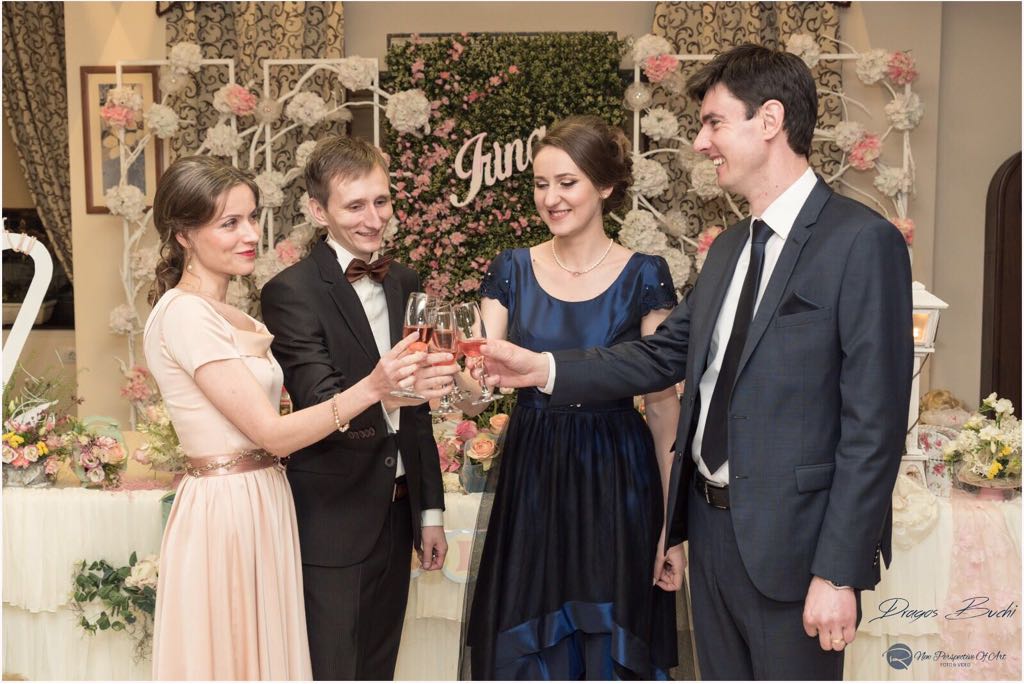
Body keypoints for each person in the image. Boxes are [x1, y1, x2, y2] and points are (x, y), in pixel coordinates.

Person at [478, 44, 914, 680]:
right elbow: (660, 355)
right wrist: (544, 369)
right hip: (710, 537)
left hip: (795, 553)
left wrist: (838, 571)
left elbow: (874, 427)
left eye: (714, 123)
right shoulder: (731, 248)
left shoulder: (861, 241)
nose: (701, 142)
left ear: (770, 120)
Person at [144, 155, 452, 680]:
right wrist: (376, 387)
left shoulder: (228, 313)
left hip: (265, 499)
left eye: (251, 217)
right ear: (183, 235)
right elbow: (273, 433)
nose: (251, 235)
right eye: (230, 223)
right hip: (229, 509)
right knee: (235, 657)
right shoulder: (186, 313)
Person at [463, 115, 684, 680]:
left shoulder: (645, 274)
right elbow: (477, 386)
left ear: (605, 186)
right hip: (534, 474)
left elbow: (664, 408)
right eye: (541, 184)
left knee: (611, 631)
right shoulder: (512, 268)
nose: (551, 198)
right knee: (529, 636)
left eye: (567, 182)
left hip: (619, 476)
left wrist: (671, 526)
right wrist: (452, 377)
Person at [260, 136, 453, 680]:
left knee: (379, 669)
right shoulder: (290, 292)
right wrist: (382, 387)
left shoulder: (404, 281)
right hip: (334, 520)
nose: (374, 219)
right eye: (355, 206)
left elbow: (418, 410)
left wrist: (430, 513)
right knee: (333, 670)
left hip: (398, 516)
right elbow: (320, 401)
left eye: (382, 201)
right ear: (318, 211)